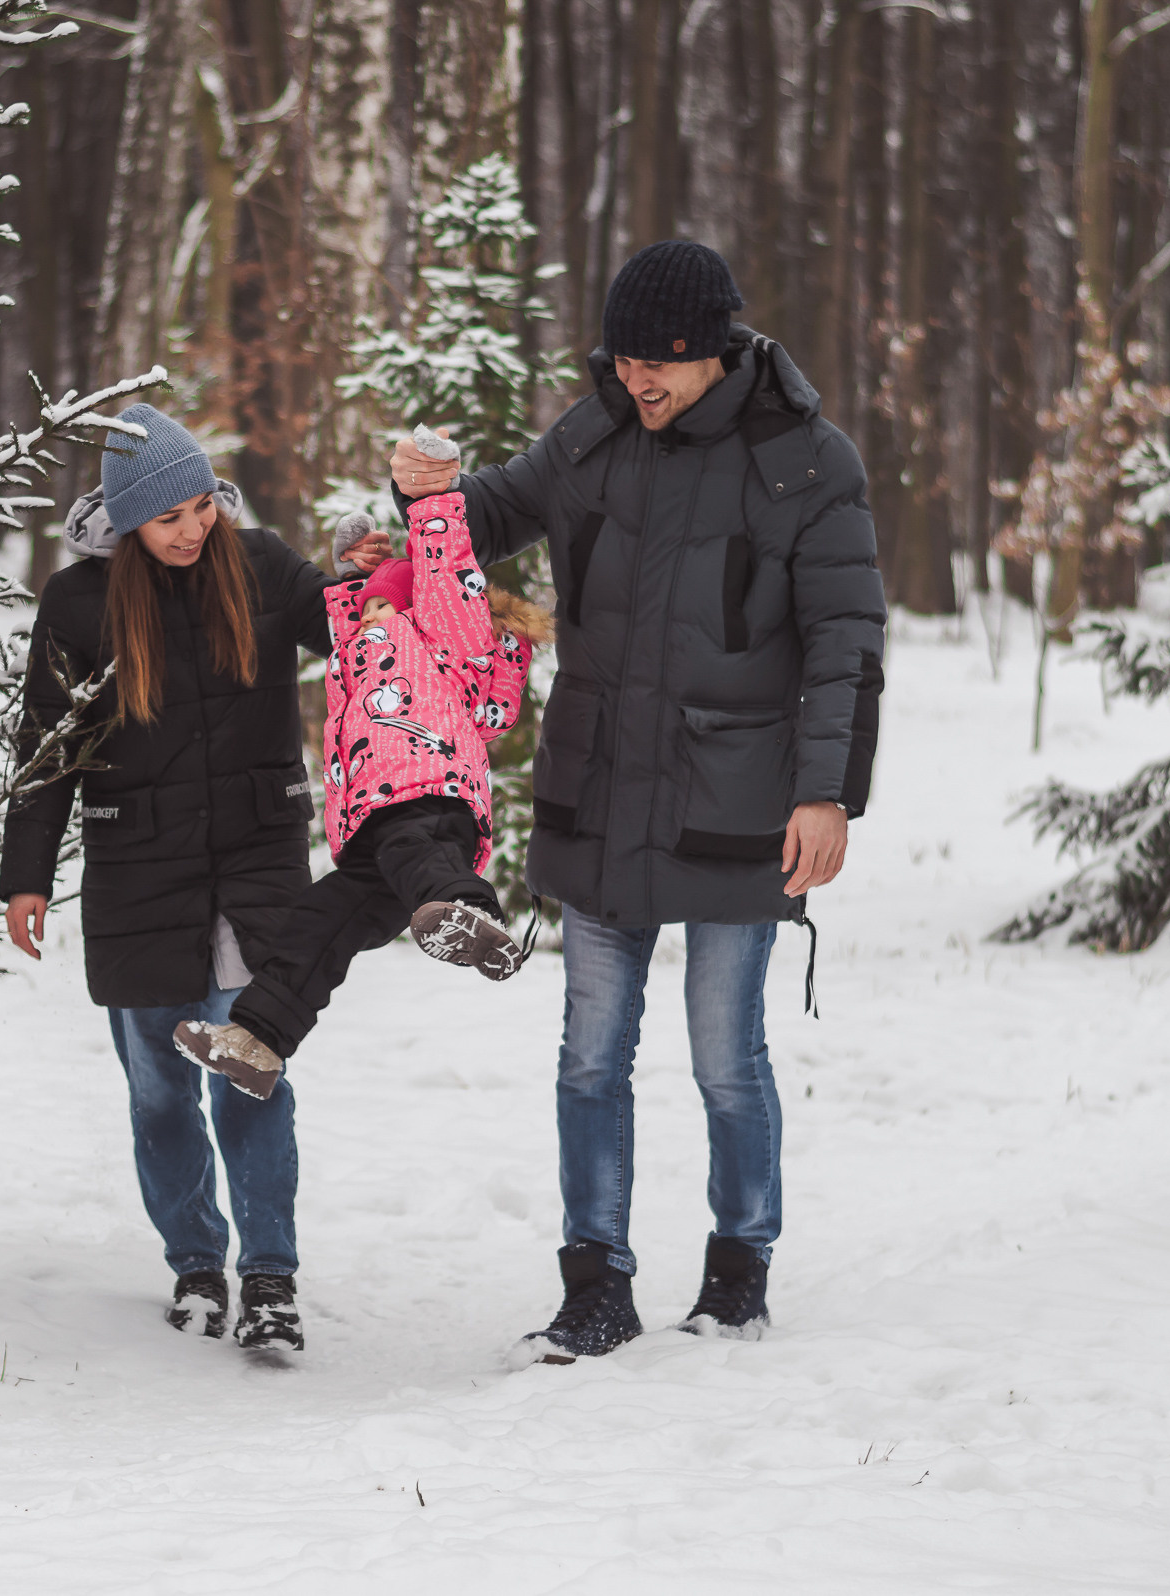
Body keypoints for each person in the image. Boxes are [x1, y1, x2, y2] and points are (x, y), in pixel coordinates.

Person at [387, 239, 888, 1363]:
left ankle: (738, 1270)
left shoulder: (806, 461)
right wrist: (424, 507)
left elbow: (847, 642)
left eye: (658, 364)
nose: (638, 383)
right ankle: (594, 1286)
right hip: (603, 789)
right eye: (622, 362)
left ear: (713, 351)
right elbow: (493, 513)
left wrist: (828, 795)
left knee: (725, 1057)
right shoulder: (595, 433)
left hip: (735, 802)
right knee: (588, 1059)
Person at [0, 402, 387, 1354]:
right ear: (128, 517)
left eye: (200, 507)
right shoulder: (79, 602)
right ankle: (195, 1264)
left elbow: (348, 631)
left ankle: (269, 1276)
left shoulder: (258, 564)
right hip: (141, 871)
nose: (191, 528)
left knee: (252, 1071)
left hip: (256, 859)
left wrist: (371, 576)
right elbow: (46, 751)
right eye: (168, 516)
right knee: (159, 1091)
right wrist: (27, 876)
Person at [171, 487, 555, 1100]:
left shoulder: (439, 646)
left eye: (386, 608)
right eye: (369, 611)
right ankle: (257, 1040)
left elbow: (470, 650)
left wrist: (431, 507)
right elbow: (349, 617)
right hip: (375, 826)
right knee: (317, 924)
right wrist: (357, 573)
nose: (373, 617)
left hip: (434, 798)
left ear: (415, 611)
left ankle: (470, 914)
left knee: (410, 848)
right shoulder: (359, 650)